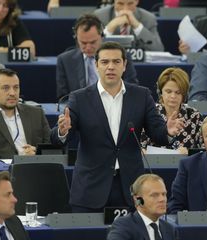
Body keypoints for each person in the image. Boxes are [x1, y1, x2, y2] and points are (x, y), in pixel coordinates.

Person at [51, 42, 184, 213]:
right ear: (96, 65)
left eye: (116, 62)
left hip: (131, 188)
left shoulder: (141, 95)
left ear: (125, 65)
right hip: (90, 189)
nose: (111, 67)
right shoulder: (79, 98)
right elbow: (56, 138)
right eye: (105, 62)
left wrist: (168, 131)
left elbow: (157, 133)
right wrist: (63, 131)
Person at [0, 68, 51, 159]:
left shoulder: (36, 113)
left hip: (36, 168)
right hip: (2, 171)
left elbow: (50, 149)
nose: (12, 93)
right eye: (6, 88)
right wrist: (20, 159)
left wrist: (37, 153)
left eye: (16, 87)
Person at [56, 14, 138, 100]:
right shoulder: (65, 60)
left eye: (92, 42)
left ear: (101, 36)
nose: (88, 47)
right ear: (76, 38)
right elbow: (63, 98)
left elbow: (132, 90)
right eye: (83, 43)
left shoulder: (121, 55)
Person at [140, 67, 203, 155]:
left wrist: (189, 153)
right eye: (168, 91)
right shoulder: (148, 113)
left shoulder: (194, 116)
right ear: (160, 92)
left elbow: (203, 151)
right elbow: (138, 146)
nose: (173, 96)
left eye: (178, 92)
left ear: (184, 94)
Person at [106, 174, 176, 240]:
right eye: (154, 195)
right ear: (138, 200)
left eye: (164, 194)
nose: (162, 199)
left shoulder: (170, 229)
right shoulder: (123, 226)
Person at [94, 0, 164, 51]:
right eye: (120, 3)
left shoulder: (148, 18)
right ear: (114, 1)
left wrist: (137, 26)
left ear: (137, 1)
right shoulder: (100, 16)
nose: (125, 9)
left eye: (130, 3)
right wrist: (109, 28)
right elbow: (92, 47)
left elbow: (158, 49)